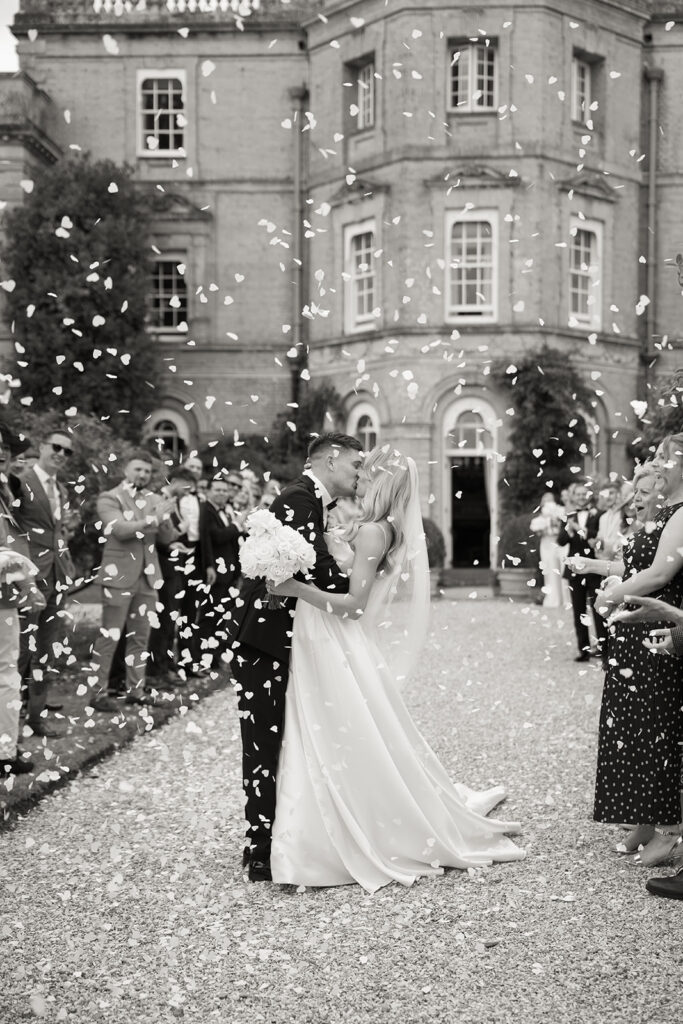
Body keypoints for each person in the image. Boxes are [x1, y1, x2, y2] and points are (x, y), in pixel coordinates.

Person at [266, 446, 525, 892]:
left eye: (366, 472)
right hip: (323, 636)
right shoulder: (373, 527)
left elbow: (352, 605)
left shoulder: (372, 532)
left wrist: (296, 588)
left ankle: (331, 837)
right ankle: (312, 831)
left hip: (332, 635)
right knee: (326, 729)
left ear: (382, 482)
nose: (359, 477)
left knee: (333, 730)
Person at [230, 432, 364, 882]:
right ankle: (260, 849)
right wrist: (360, 580)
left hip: (281, 640)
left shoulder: (308, 501)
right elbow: (320, 573)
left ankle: (280, 836)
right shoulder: (300, 499)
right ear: (329, 460)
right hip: (262, 642)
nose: (358, 474)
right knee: (264, 743)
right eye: (354, 465)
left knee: (283, 739)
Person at [593, 435, 683, 867]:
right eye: (659, 456)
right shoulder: (659, 512)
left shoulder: (682, 514)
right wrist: (613, 584)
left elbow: (660, 573)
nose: (659, 463)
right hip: (635, 629)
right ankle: (644, 820)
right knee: (633, 728)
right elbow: (635, 568)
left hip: (659, 630)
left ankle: (669, 830)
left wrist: (613, 597)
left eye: (669, 458)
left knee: (658, 726)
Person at [87, 451, 177, 711]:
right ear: (126, 469)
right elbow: (121, 530)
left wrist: (166, 516)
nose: (143, 475)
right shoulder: (109, 497)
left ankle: (135, 690)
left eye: (147, 471)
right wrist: (155, 517)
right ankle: (97, 693)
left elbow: (166, 539)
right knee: (110, 636)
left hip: (148, 577)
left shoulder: (154, 499)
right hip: (119, 576)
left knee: (140, 638)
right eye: (138, 469)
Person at [12, 426, 79, 737]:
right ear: (42, 445)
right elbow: (15, 531)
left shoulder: (61, 490)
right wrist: (27, 575)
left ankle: (36, 717)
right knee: (21, 650)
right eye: (57, 447)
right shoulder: (21, 482)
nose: (61, 454)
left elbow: (56, 534)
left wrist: (66, 561)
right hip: (30, 578)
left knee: (46, 650)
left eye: (68, 451)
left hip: (57, 577)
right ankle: (10, 719)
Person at [0, 420, 44, 777]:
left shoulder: (5, 490)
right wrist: (27, 582)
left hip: (5, 596)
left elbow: (12, 543)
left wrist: (27, 584)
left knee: (6, 673)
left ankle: (5, 749)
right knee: (4, 673)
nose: (4, 453)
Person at [146, 466, 196, 685]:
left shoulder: (173, 504)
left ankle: (166, 665)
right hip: (163, 566)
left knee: (171, 621)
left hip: (175, 565)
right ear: (175, 480)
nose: (186, 493)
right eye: (185, 488)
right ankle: (156, 670)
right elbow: (159, 536)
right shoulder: (158, 500)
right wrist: (177, 536)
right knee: (163, 621)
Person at [196, 475, 244, 672]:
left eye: (224, 490)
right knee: (209, 617)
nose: (222, 493)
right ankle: (202, 659)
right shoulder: (206, 510)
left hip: (229, 573)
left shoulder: (224, 511)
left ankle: (215, 658)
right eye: (217, 490)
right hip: (215, 572)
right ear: (209, 491)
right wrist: (237, 526)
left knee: (221, 617)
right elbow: (214, 538)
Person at [557, 480, 605, 662]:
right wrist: (569, 530)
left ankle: (602, 648)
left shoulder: (598, 514)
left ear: (589, 496)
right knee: (579, 611)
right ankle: (583, 650)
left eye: (583, 494)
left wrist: (581, 529)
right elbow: (561, 541)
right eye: (577, 494)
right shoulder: (568, 516)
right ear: (573, 497)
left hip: (594, 568)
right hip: (574, 570)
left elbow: (598, 538)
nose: (581, 497)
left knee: (598, 608)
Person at [530, 492, 565, 608]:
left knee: (561, 570)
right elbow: (539, 532)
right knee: (549, 570)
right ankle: (552, 598)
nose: (548, 503)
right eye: (546, 500)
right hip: (546, 544)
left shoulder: (561, 512)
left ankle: (564, 598)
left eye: (550, 500)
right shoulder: (539, 519)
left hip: (559, 544)